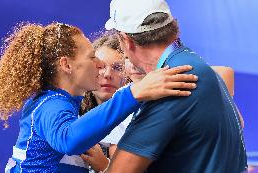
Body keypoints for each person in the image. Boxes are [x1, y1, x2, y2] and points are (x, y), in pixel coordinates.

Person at [0, 22, 198, 172]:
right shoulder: (50, 104)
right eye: (92, 56)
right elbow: (68, 139)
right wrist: (133, 93)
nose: (99, 65)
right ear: (66, 65)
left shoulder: (62, 104)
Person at [104, 0, 247, 173]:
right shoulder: (195, 65)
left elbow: (120, 171)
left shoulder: (171, 84)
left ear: (126, 40)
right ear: (171, 27)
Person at [58, 31, 197, 172]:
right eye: (99, 66)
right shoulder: (70, 114)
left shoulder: (145, 109)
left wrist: (105, 165)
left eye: (117, 67)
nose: (107, 75)